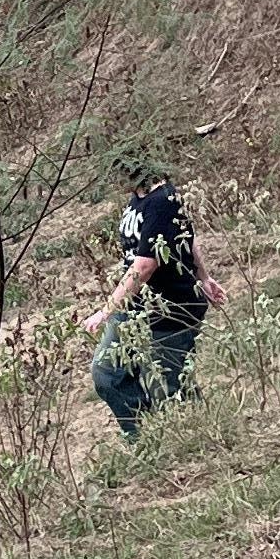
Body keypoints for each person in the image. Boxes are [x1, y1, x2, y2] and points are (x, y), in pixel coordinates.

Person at [86, 159, 222, 437]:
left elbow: (146, 265)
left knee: (172, 391)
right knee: (106, 372)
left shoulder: (163, 200)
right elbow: (186, 239)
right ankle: (144, 438)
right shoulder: (138, 199)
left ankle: (203, 439)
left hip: (170, 310)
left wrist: (106, 311)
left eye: (115, 170)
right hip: (135, 308)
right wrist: (205, 277)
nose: (111, 179)